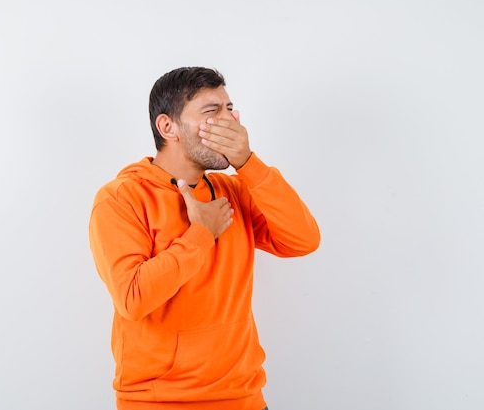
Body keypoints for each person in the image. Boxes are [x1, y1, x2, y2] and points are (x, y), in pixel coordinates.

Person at [89, 67, 321, 410]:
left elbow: (303, 240)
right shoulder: (122, 198)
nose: (228, 121)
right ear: (168, 127)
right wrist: (200, 235)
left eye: (230, 109)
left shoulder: (233, 191)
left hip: (244, 399)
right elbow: (133, 298)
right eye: (212, 111)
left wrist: (248, 164)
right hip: (159, 402)